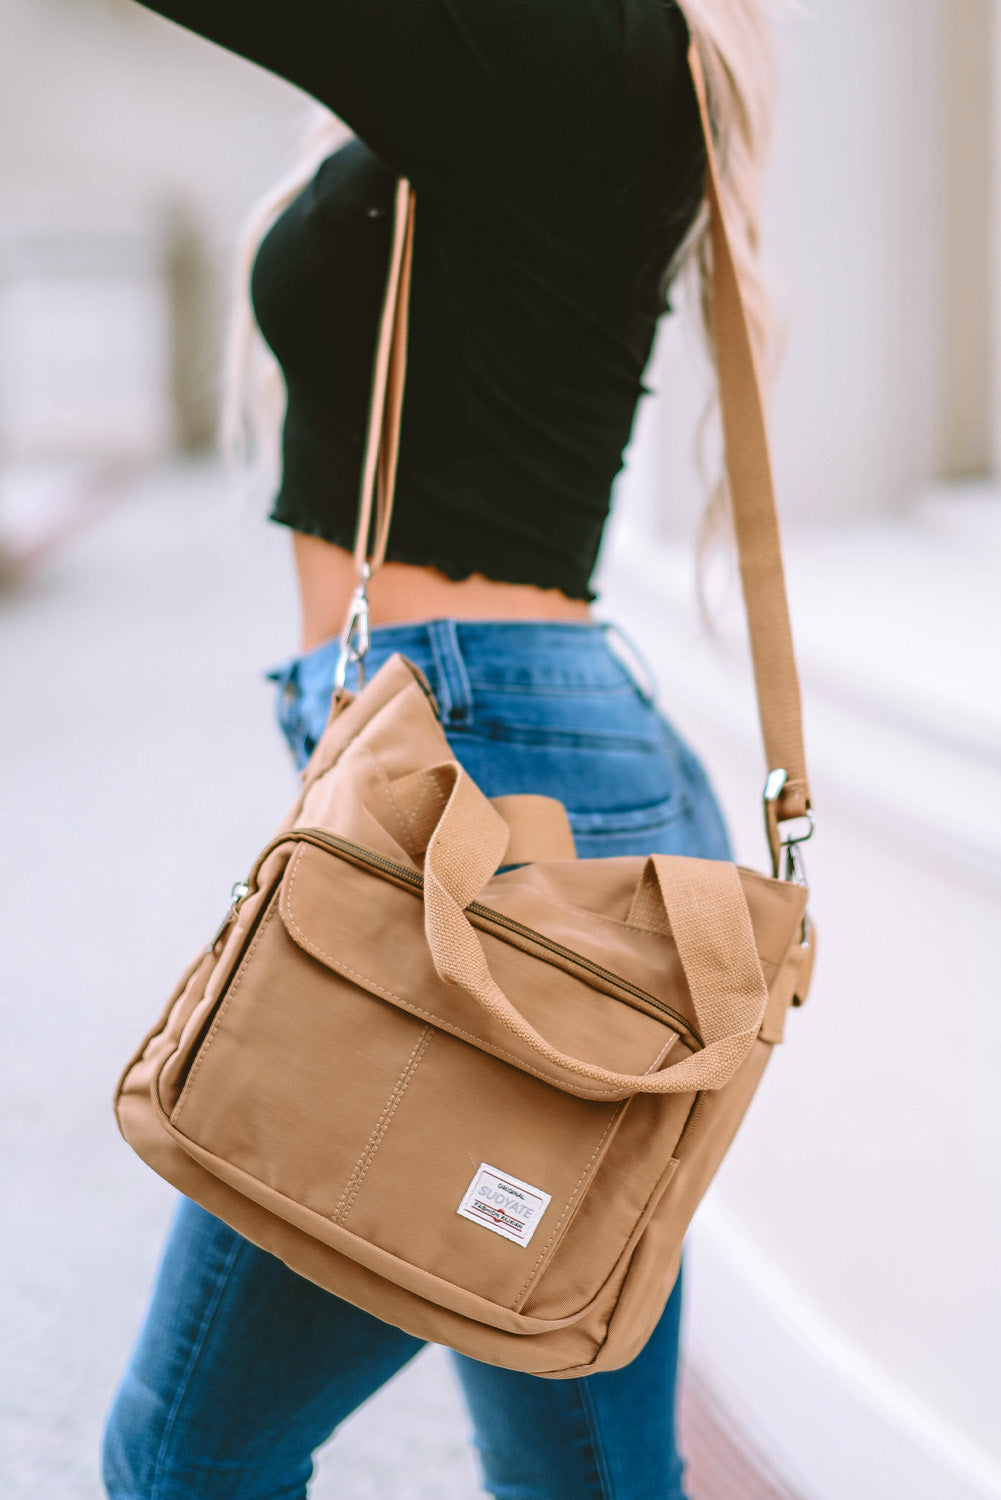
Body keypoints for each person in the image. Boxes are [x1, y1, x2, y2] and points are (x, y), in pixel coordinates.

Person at [102, 1, 780, 1495]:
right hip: (496, 772)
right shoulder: (557, 52)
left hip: (489, 807)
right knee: (583, 1467)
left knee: (183, 1458)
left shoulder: (571, 48)